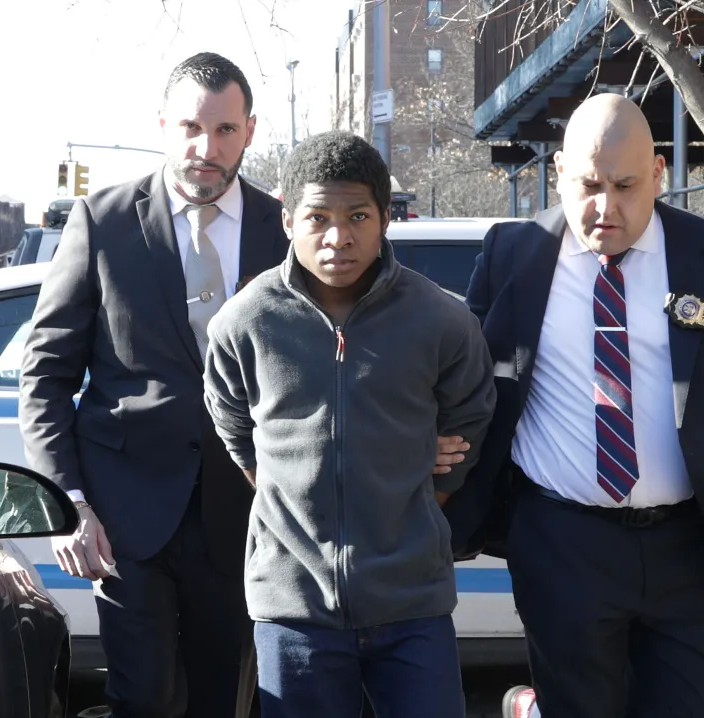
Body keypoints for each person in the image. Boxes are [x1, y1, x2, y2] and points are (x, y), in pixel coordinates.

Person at [445, 93, 704, 718]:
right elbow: (465, 378)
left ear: (659, 176)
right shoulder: (512, 256)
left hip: (690, 548)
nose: (606, 208)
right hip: (560, 543)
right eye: (589, 184)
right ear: (560, 171)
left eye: (625, 185)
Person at [17, 52, 290, 718]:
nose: (207, 148)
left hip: (246, 518)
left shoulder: (283, 229)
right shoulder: (103, 222)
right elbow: (47, 372)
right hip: (123, 517)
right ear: (163, 124)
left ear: (249, 131)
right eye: (192, 128)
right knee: (141, 698)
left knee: (223, 700)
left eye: (225, 131)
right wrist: (68, 502)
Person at [202, 130, 497, 718]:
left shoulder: (440, 318)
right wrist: (283, 485)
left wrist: (418, 494)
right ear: (288, 220)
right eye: (318, 217)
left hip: (412, 602)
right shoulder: (245, 321)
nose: (339, 237)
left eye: (358, 215)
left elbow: (471, 413)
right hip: (294, 610)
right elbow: (232, 421)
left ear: (385, 217)